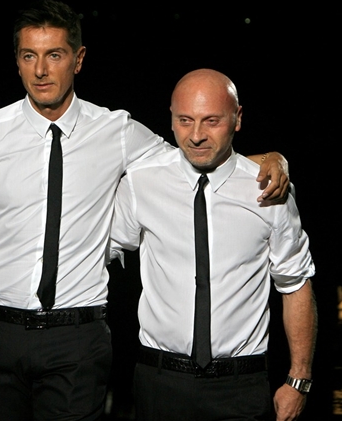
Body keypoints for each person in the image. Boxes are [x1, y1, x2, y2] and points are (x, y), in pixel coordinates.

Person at [0, 0, 291, 421]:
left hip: (77, 338)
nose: (40, 70)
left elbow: (194, 157)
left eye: (54, 55)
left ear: (78, 60)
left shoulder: (117, 131)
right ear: (17, 61)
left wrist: (269, 158)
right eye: (29, 56)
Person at [110, 69, 317, 421]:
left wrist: (299, 379)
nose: (196, 135)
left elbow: (295, 283)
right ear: (171, 118)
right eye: (185, 120)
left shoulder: (268, 190)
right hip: (159, 382)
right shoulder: (141, 183)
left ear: (237, 118)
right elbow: (94, 254)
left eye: (211, 121)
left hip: (241, 386)